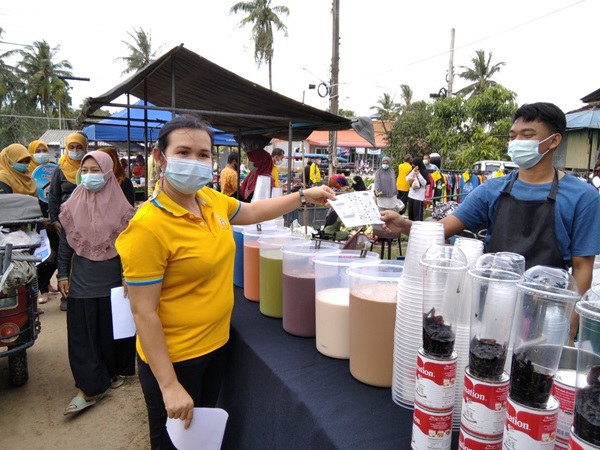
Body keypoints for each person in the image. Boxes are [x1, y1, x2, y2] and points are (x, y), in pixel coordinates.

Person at [115, 114, 336, 449]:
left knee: (199, 440)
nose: (195, 161)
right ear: (160, 158)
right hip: (176, 360)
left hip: (215, 346)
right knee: (173, 444)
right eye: (184, 152)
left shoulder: (210, 200)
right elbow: (144, 312)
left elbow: (252, 212)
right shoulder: (148, 227)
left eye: (203, 154)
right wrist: (170, 384)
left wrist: (303, 196)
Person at [381, 102, 600, 344]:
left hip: (545, 311)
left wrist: (567, 331)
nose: (517, 142)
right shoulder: (493, 189)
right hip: (492, 303)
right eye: (513, 136)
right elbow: (446, 226)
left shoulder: (583, 197)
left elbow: (582, 268)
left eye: (528, 136)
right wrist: (406, 225)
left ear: (554, 140)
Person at [58, 150, 135, 415]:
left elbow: (130, 246)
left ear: (107, 172)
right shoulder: (71, 205)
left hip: (112, 280)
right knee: (83, 333)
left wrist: (128, 275)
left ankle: (113, 373)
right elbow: (66, 244)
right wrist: (62, 274)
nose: (90, 176)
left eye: (95, 170)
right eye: (85, 170)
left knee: (110, 332)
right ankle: (89, 388)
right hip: (82, 281)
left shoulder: (123, 208)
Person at [49, 132, 88, 311]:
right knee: (65, 254)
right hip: (65, 220)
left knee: (83, 255)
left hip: (87, 218)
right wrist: (54, 219)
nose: (75, 151)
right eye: (72, 147)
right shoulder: (60, 169)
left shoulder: (89, 166)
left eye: (79, 147)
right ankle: (65, 295)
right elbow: (54, 196)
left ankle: (81, 291)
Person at [28, 140, 60, 304]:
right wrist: (41, 219)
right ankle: (44, 290)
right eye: (37, 150)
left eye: (44, 150)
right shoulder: (28, 174)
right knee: (43, 255)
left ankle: (47, 282)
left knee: (56, 253)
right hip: (38, 221)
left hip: (55, 217)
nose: (41, 153)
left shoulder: (53, 169)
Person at [238, 135, 274, 202]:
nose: (250, 163)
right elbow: (241, 193)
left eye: (253, 161)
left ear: (262, 163)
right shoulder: (251, 175)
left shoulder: (266, 180)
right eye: (250, 160)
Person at [405, 156, 429, 221]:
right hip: (411, 194)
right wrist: (413, 171)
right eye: (412, 165)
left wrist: (418, 174)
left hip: (419, 196)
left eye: (414, 165)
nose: (413, 166)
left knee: (417, 215)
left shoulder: (424, 172)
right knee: (411, 214)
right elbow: (407, 179)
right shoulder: (413, 170)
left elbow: (424, 183)